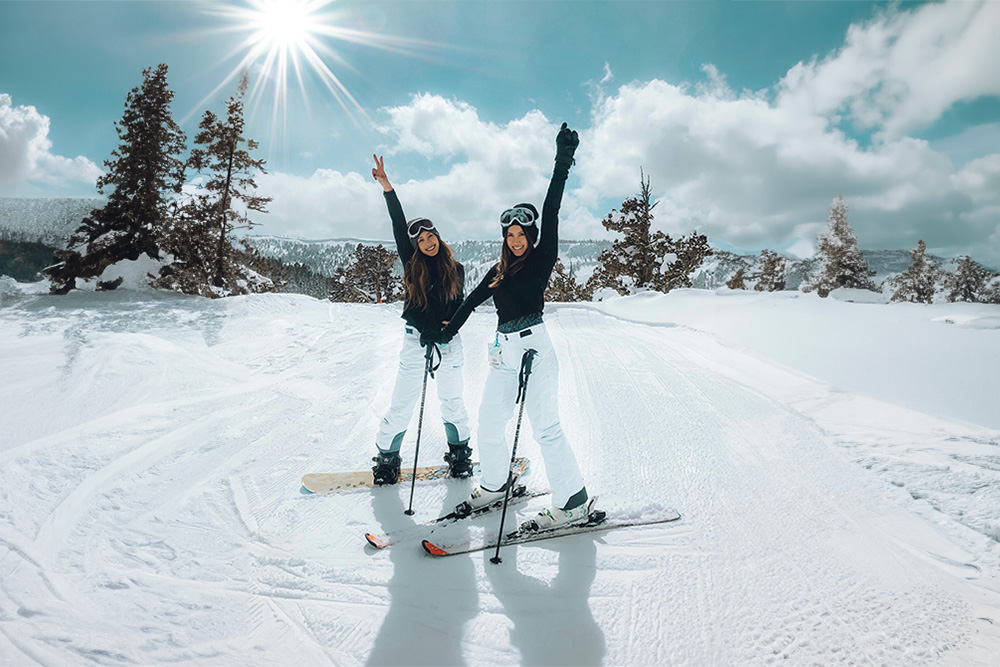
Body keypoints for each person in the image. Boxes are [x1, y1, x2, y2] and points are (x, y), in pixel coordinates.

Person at [426, 123, 592, 530]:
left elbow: (550, 209)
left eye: (522, 234)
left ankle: (574, 503)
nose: (516, 239)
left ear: (532, 236)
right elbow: (469, 303)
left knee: (546, 427)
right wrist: (443, 332)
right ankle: (497, 485)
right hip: (503, 352)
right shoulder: (500, 270)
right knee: (488, 421)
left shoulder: (540, 259)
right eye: (510, 234)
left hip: (534, 348)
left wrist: (562, 162)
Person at [369, 154, 472, 485]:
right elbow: (399, 224)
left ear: (438, 238)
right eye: (421, 241)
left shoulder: (455, 269)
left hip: (448, 343)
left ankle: (459, 454)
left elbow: (458, 306)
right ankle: (387, 459)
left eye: (431, 238)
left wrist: (447, 328)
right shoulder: (411, 262)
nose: (427, 244)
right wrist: (387, 187)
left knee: (452, 401)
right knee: (402, 402)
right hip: (415, 339)